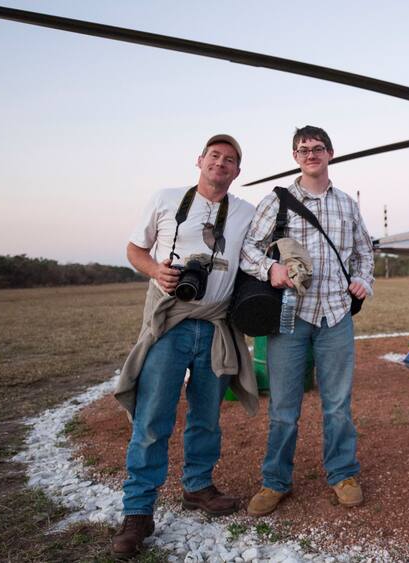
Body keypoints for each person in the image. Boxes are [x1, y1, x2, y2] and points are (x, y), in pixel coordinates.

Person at [111, 134, 260, 558]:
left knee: (207, 415)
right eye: (214, 156)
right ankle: (138, 512)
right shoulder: (165, 198)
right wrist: (156, 270)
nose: (220, 163)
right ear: (200, 160)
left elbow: (260, 251)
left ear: (237, 171)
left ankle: (197, 486)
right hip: (170, 324)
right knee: (153, 417)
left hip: (216, 325)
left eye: (229, 160)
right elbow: (135, 248)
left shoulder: (246, 212)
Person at [242, 125, 374, 516]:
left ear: (330, 153)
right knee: (284, 407)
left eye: (317, 148)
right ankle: (275, 480)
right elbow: (248, 248)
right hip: (290, 315)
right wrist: (270, 269)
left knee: (338, 405)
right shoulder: (277, 201)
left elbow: (364, 252)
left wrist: (363, 280)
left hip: (336, 314)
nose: (310, 154)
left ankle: (343, 474)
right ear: (295, 157)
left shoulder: (347, 204)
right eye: (303, 150)